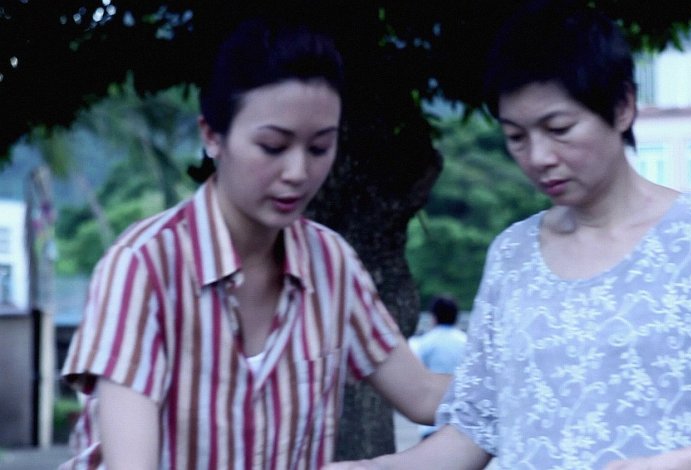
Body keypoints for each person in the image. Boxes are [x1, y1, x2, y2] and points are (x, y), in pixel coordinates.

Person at [325, 1, 691, 469]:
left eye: (558, 128)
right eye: (517, 137)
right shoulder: (513, 254)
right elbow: (472, 430)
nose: (539, 157)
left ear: (623, 106)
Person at [59, 18, 450, 469]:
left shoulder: (331, 263)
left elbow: (422, 395)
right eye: (272, 146)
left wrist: (517, 372)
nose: (298, 173)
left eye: (319, 148)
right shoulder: (143, 266)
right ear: (212, 135)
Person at [408, 295, 468, 438]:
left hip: (432, 416)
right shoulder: (466, 342)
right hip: (461, 419)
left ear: (433, 316)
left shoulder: (424, 342)